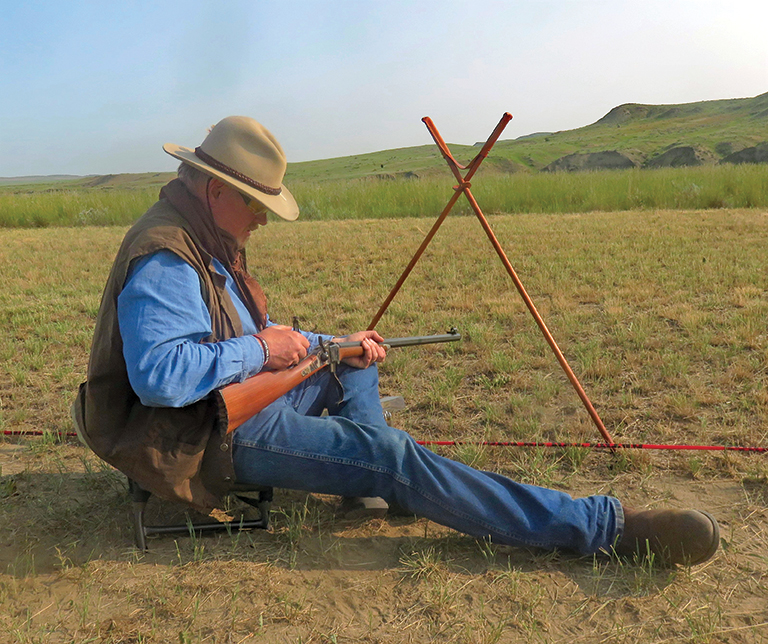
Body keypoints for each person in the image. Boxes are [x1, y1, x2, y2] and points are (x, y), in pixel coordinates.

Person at [72, 116, 719, 566]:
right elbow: (161, 376)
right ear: (216, 191)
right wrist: (265, 351)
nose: (263, 217)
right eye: (255, 203)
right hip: (203, 433)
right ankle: (599, 528)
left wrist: (331, 343)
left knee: (350, 368)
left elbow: (246, 338)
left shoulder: (203, 236)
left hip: (238, 398)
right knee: (394, 454)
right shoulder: (165, 258)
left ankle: (367, 483)